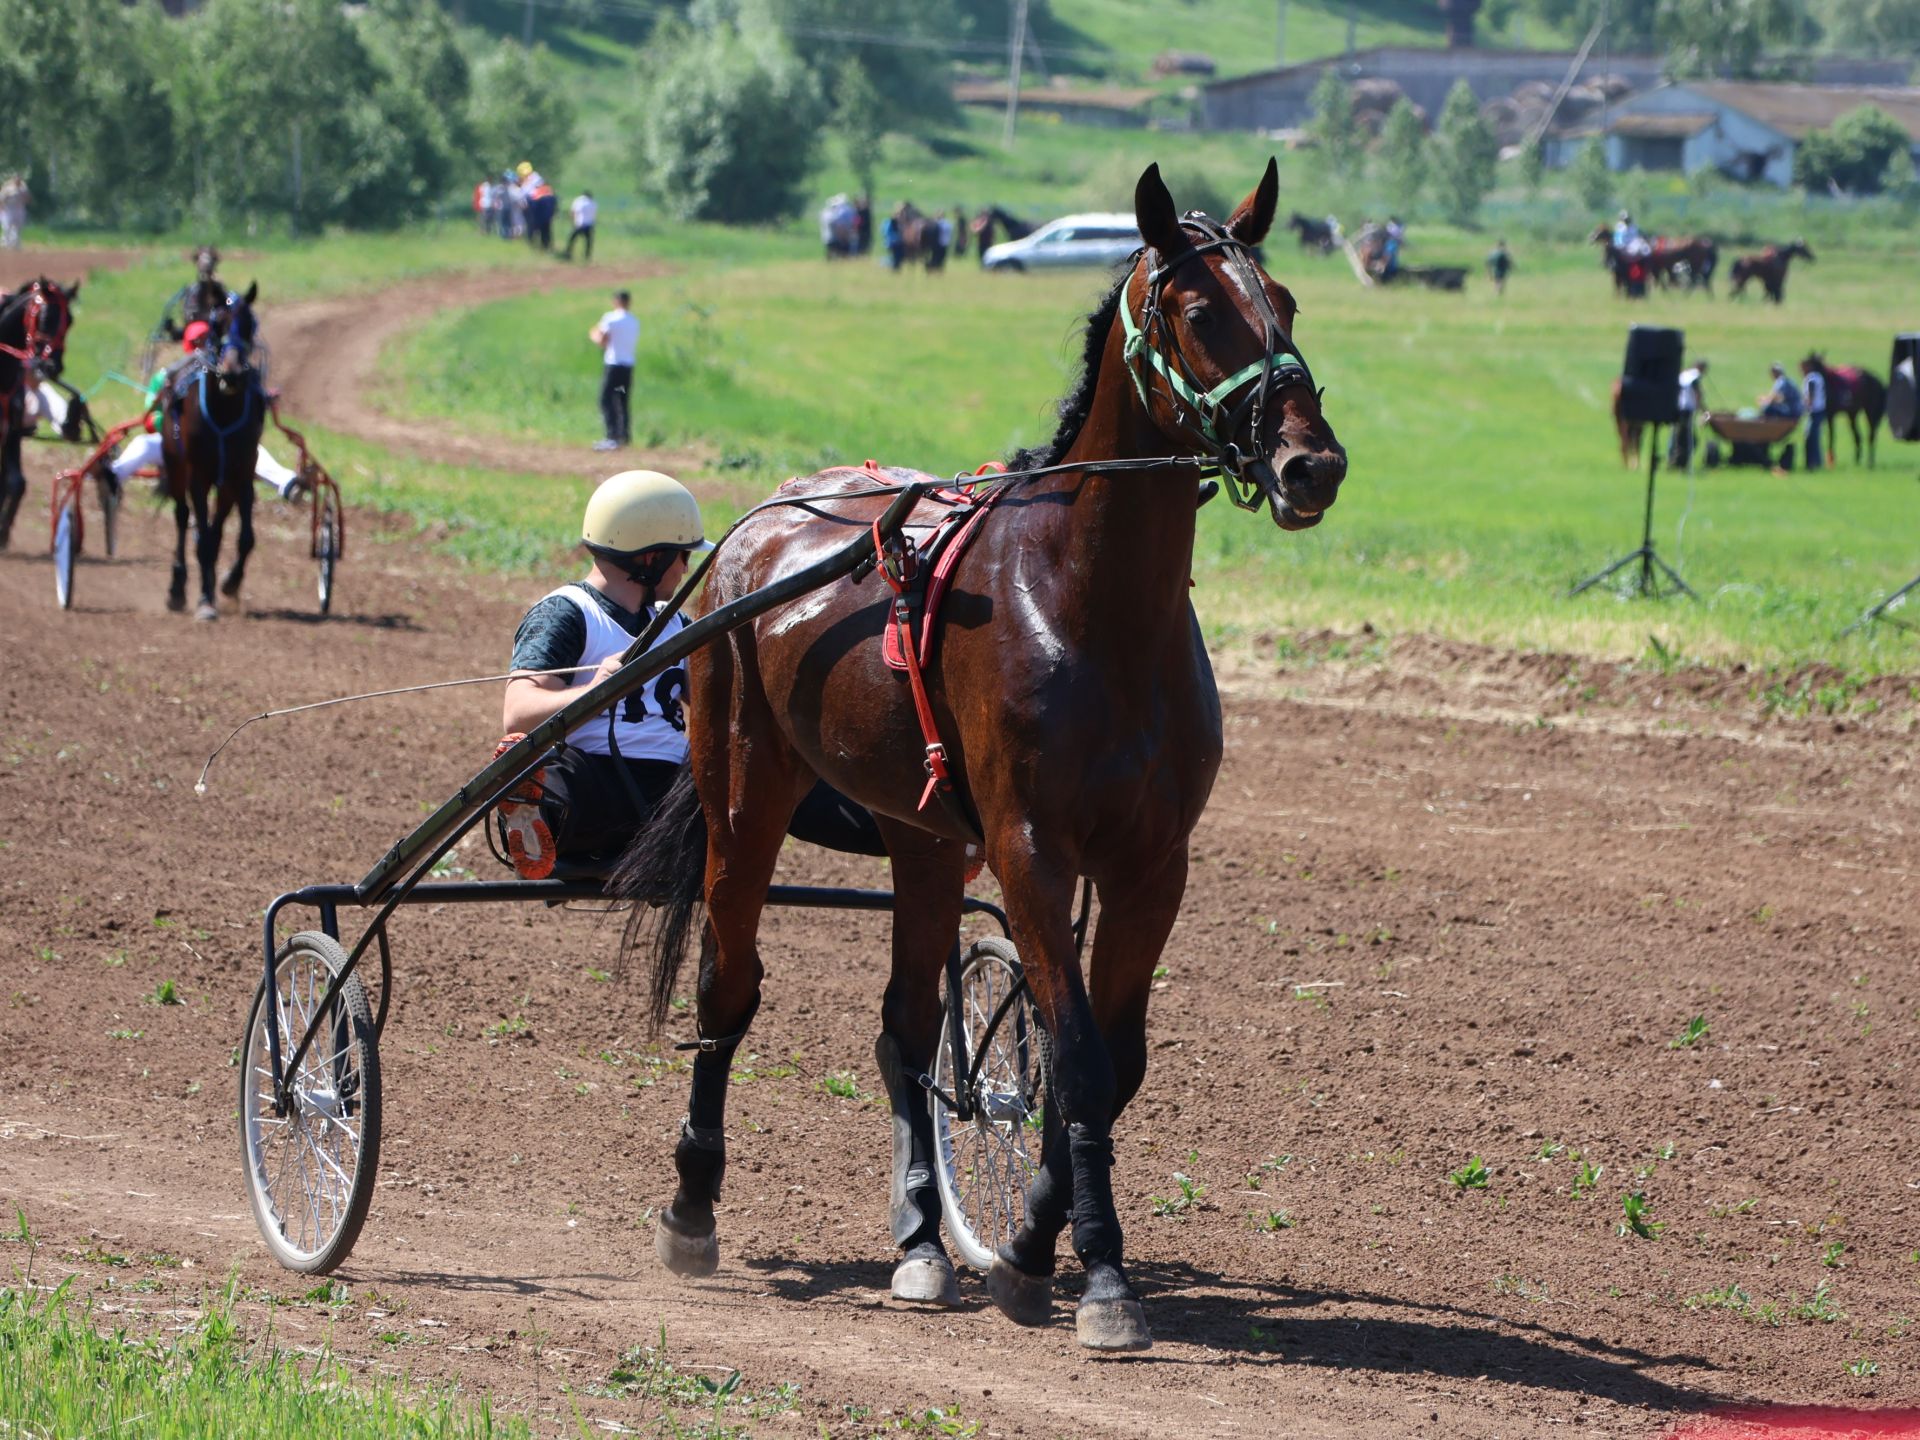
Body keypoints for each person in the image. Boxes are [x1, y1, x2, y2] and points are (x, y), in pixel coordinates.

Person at [497, 471, 709, 876]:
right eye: (683, 555)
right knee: (565, 778)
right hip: (592, 784)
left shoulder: (677, 623)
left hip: (669, 794)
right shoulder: (568, 613)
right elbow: (518, 713)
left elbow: (716, 705)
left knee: (717, 782)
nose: (686, 568)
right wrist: (597, 690)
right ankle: (532, 812)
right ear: (651, 558)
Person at [94, 322, 308, 501]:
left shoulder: (225, 378)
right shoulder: (167, 376)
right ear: (190, 344)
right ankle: (113, 476)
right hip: (179, 445)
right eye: (200, 341)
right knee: (142, 444)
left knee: (253, 451)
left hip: (219, 447)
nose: (204, 346)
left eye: (208, 340)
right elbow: (151, 419)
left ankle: (287, 483)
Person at [589, 290, 638, 452]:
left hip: (613, 364)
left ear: (616, 301)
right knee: (623, 400)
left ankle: (611, 436)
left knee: (606, 400)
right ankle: (624, 435)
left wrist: (593, 335)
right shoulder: (634, 321)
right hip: (628, 365)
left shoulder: (610, 318)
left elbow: (601, 339)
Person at [1670, 359, 1708, 467]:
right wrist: (1704, 411)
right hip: (1686, 410)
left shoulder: (1683, 375)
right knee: (1689, 441)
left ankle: (1675, 461)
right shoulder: (1694, 377)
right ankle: (1679, 463)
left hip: (1677, 408)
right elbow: (1697, 395)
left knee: (1677, 438)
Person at [1799, 356, 1827, 471]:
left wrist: (1803, 408)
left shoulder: (1811, 379)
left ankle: (1812, 463)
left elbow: (1811, 397)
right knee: (1814, 437)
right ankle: (1817, 462)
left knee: (1811, 438)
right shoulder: (1818, 377)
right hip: (1820, 411)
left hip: (1814, 412)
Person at [563, 190, 596, 261]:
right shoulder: (593, 203)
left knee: (572, 239)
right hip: (589, 225)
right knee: (588, 242)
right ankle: (587, 256)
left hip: (579, 224)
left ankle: (568, 254)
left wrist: (573, 221)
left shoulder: (578, 201)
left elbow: (573, 212)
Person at [0, 174, 28, 250]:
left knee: (18, 228)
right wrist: (2, 207)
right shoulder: (8, 188)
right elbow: (2, 198)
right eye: (16, 179)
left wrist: (24, 197)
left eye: (19, 179)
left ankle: (17, 244)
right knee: (7, 227)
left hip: (19, 209)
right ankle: (6, 243)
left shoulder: (23, 188)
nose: (18, 181)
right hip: (9, 209)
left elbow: (27, 199)